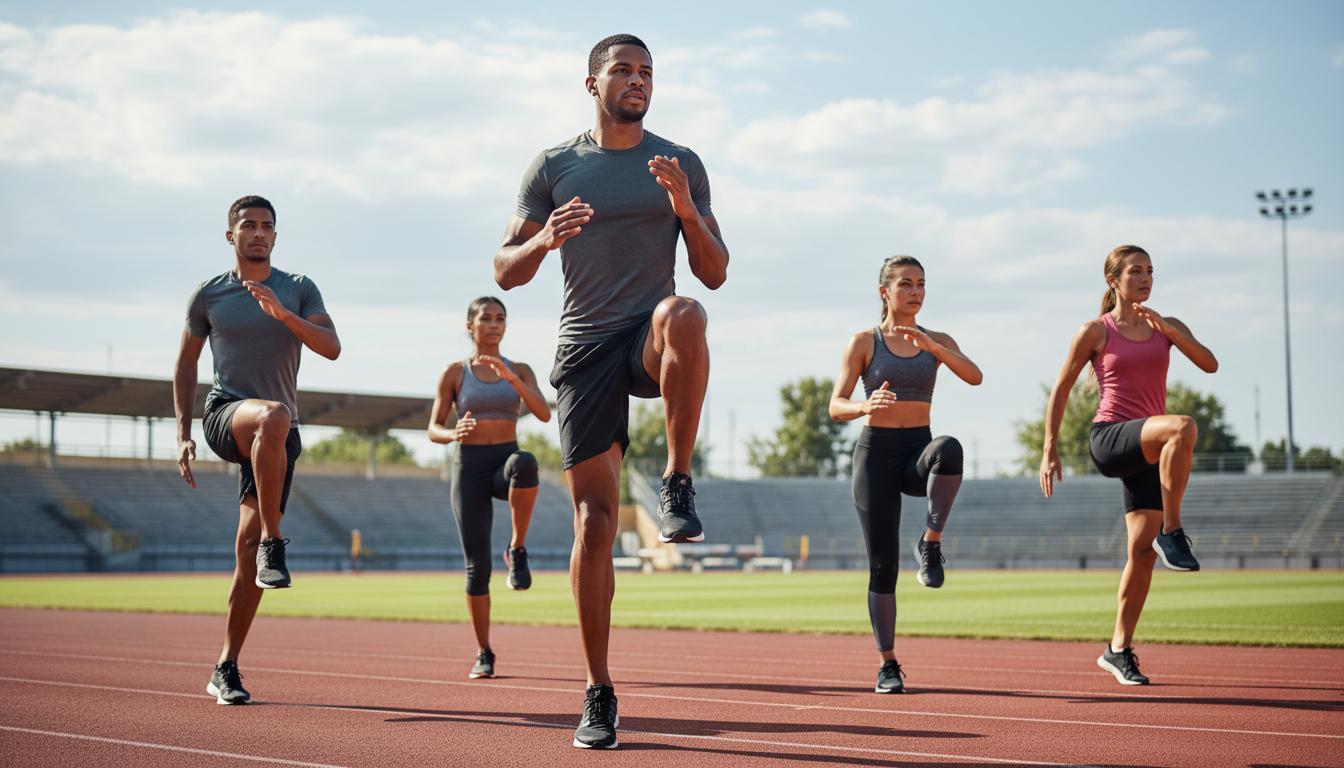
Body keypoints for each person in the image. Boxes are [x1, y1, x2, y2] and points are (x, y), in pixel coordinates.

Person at [493, 33, 729, 749]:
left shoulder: (680, 163)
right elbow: (505, 270)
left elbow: (714, 271)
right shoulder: (556, 165)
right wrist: (543, 242)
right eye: (623, 70)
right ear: (590, 83)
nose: (638, 80)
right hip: (586, 349)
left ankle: (678, 482)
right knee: (595, 523)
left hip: (649, 338)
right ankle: (598, 688)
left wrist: (687, 209)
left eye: (648, 72)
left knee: (686, 310)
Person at [173, 195, 341, 704]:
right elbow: (185, 365)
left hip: (279, 436)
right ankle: (276, 539)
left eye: (268, 226)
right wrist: (183, 432)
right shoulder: (209, 294)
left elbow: (331, 346)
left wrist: (285, 315)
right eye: (248, 225)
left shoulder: (299, 288)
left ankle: (226, 666)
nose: (259, 233)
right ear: (231, 235)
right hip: (228, 414)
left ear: (275, 236)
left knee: (245, 558)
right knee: (269, 414)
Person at [1039, 244, 1218, 685]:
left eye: (1150, 271)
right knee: (1182, 427)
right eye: (1136, 271)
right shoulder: (1095, 331)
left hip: (1148, 450)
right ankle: (1173, 532)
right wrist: (1049, 447)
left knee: (1140, 554)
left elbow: (1210, 365)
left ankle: (1117, 649)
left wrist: (1173, 333)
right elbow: (1061, 388)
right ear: (1113, 280)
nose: (1145, 278)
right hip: (1111, 438)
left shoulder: (1167, 326)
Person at [829, 256, 982, 694]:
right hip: (875, 455)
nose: (915, 292)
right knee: (883, 566)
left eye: (921, 284)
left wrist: (934, 348)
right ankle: (888, 663)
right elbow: (835, 405)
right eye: (905, 285)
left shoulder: (938, 340)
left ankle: (930, 542)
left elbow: (975, 377)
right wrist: (864, 406)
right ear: (885, 292)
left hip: (918, 451)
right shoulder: (864, 342)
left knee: (949, 449)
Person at [428, 296, 551, 680]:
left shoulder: (521, 369)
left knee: (526, 463)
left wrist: (512, 378)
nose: (494, 324)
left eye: (501, 318)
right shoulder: (454, 373)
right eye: (486, 318)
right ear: (470, 326)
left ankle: (517, 547)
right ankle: (483, 651)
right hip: (469, 468)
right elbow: (432, 428)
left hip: (504, 462)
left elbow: (545, 413)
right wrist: (452, 434)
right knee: (476, 569)